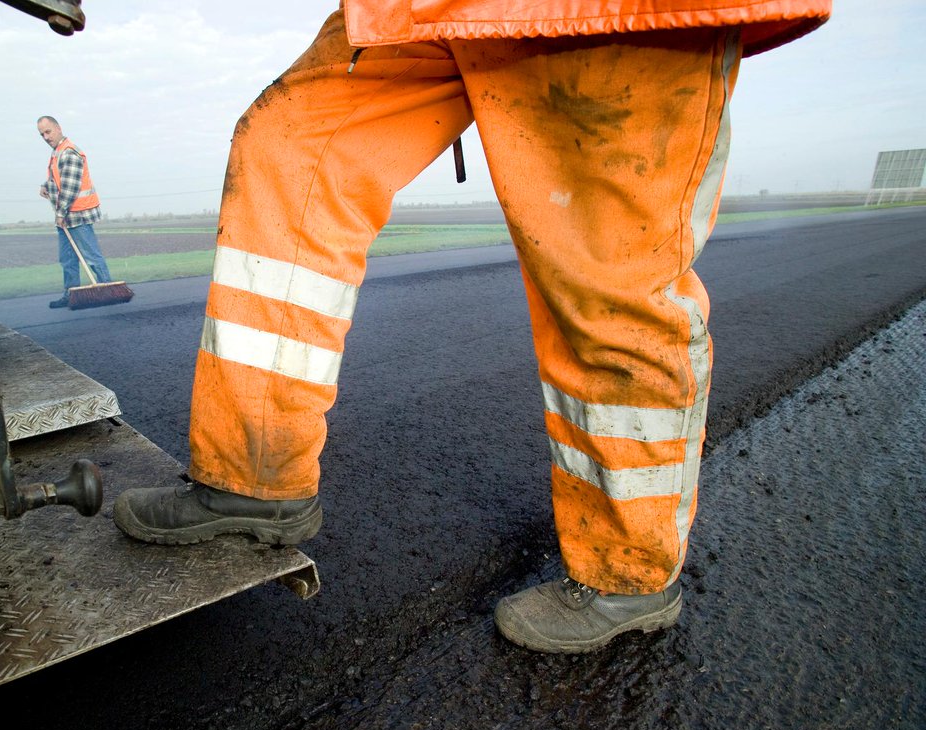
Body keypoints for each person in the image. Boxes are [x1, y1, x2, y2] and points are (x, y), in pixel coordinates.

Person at [113, 1, 832, 653]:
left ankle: (630, 570)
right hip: (423, 8)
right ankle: (253, 475)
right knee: (290, 147)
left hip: (606, 12)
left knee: (608, 268)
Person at [37, 115, 114, 308]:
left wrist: (61, 214)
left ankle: (108, 290)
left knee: (91, 255)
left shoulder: (69, 153)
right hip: (65, 216)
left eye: (48, 132)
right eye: (42, 134)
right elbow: (59, 178)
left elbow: (70, 189)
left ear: (58, 128)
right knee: (67, 258)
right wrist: (46, 185)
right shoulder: (57, 153)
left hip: (77, 215)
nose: (46, 137)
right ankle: (71, 294)